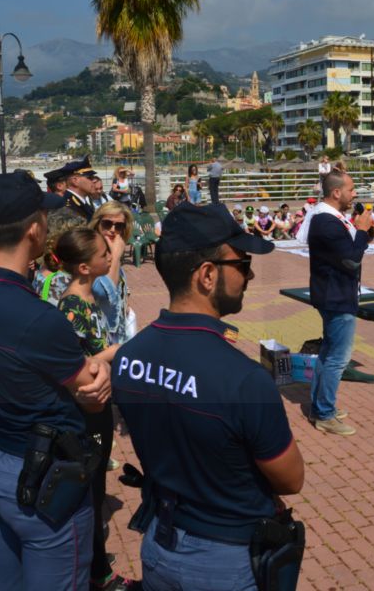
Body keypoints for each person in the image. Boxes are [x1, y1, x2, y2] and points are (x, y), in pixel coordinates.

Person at [113, 203, 305, 590]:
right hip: (226, 558)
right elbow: (290, 478)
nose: (249, 274)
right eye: (242, 264)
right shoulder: (244, 379)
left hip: (159, 542)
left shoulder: (129, 357)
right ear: (207, 275)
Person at [0, 170, 112, 589]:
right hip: (43, 479)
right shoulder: (37, 318)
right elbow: (91, 395)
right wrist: (102, 370)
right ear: (34, 229)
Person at [53, 227, 136, 591]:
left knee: (98, 483)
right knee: (92, 488)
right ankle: (97, 571)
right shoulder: (71, 307)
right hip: (87, 409)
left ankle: (93, 557)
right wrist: (114, 352)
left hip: (99, 405)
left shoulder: (89, 297)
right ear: (84, 268)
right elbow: (73, 365)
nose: (110, 257)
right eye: (104, 254)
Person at [308, 170, 374, 435]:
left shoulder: (329, 218)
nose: (354, 194)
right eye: (351, 189)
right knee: (338, 358)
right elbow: (351, 260)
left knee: (328, 354)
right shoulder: (327, 222)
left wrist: (365, 236)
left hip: (333, 294)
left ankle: (320, 407)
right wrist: (361, 231)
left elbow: (347, 253)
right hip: (336, 297)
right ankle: (324, 414)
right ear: (336, 193)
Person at [91, 201, 134, 346]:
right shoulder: (90, 252)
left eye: (119, 226)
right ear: (97, 223)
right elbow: (103, 292)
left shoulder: (112, 249)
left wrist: (126, 301)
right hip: (100, 335)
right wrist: (116, 256)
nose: (112, 230)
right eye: (107, 224)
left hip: (118, 333)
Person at [64, 155, 100, 221]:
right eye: (90, 178)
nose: (94, 181)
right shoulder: (69, 206)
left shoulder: (80, 202)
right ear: (75, 181)